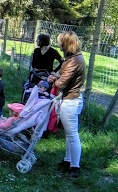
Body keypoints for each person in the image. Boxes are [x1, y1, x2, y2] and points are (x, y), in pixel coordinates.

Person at [48, 31, 85, 178]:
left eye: (59, 41)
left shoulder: (74, 61)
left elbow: (62, 83)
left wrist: (53, 79)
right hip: (70, 100)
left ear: (66, 43)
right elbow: (63, 76)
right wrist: (56, 76)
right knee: (69, 135)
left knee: (73, 135)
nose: (58, 44)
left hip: (70, 102)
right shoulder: (72, 58)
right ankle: (68, 161)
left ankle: (75, 167)